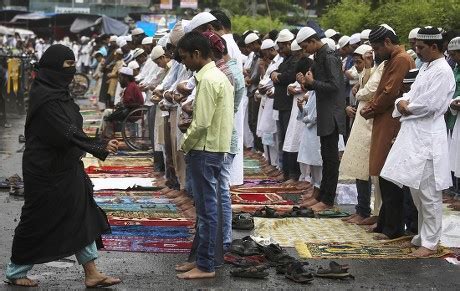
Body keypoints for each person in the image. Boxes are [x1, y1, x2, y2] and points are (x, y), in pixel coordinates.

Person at [4, 44, 121, 288]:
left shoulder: (57, 93)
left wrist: (97, 144)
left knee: (81, 212)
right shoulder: (45, 98)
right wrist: (98, 147)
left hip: (66, 166)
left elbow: (71, 128)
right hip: (45, 169)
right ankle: (16, 270)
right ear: (54, 68)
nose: (72, 72)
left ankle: (91, 272)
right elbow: (65, 131)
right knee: (38, 218)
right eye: (67, 67)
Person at [381, 27, 455, 256]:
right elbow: (409, 94)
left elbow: (430, 105)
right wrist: (402, 103)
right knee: (417, 191)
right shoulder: (425, 67)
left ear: (434, 47)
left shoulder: (443, 71)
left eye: (421, 47)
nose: (416, 50)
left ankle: (431, 242)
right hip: (413, 135)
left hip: (428, 138)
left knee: (429, 192)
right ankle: (422, 235)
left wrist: (406, 107)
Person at [176, 31, 234, 279]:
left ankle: (206, 265)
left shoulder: (210, 80)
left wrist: (185, 144)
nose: (184, 63)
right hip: (212, 149)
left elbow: (201, 123)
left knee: (208, 210)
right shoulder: (213, 77)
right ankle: (201, 259)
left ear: (197, 54)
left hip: (205, 149)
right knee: (204, 208)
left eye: (185, 57)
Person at [360, 25, 415, 240]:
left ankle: (393, 229)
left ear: (387, 43)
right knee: (384, 173)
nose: (375, 53)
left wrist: (371, 107)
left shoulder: (401, 59)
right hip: (385, 120)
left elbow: (390, 91)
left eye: (376, 48)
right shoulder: (392, 59)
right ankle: (384, 223)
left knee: (390, 175)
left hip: (393, 122)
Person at [296, 27, 346, 212]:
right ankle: (322, 195)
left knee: (331, 159)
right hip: (324, 111)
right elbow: (315, 84)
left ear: (312, 40)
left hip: (331, 113)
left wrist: (311, 83)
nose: (304, 51)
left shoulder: (330, 57)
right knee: (325, 157)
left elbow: (334, 86)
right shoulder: (318, 56)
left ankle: (328, 199)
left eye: (304, 46)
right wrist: (306, 82)